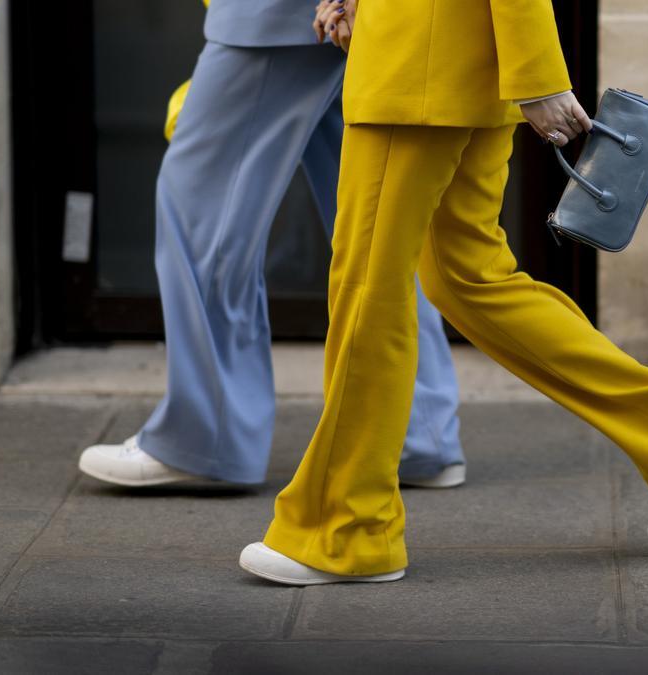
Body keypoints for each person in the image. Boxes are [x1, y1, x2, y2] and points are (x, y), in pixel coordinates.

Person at [238, 0, 648, 585]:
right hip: (455, 64)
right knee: (468, 278)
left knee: (369, 291)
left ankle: (347, 528)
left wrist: (540, 74)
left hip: (416, 66)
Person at [77, 0, 467, 490]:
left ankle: (207, 439)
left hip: (285, 13)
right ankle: (417, 430)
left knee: (201, 204)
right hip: (353, 15)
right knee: (376, 227)